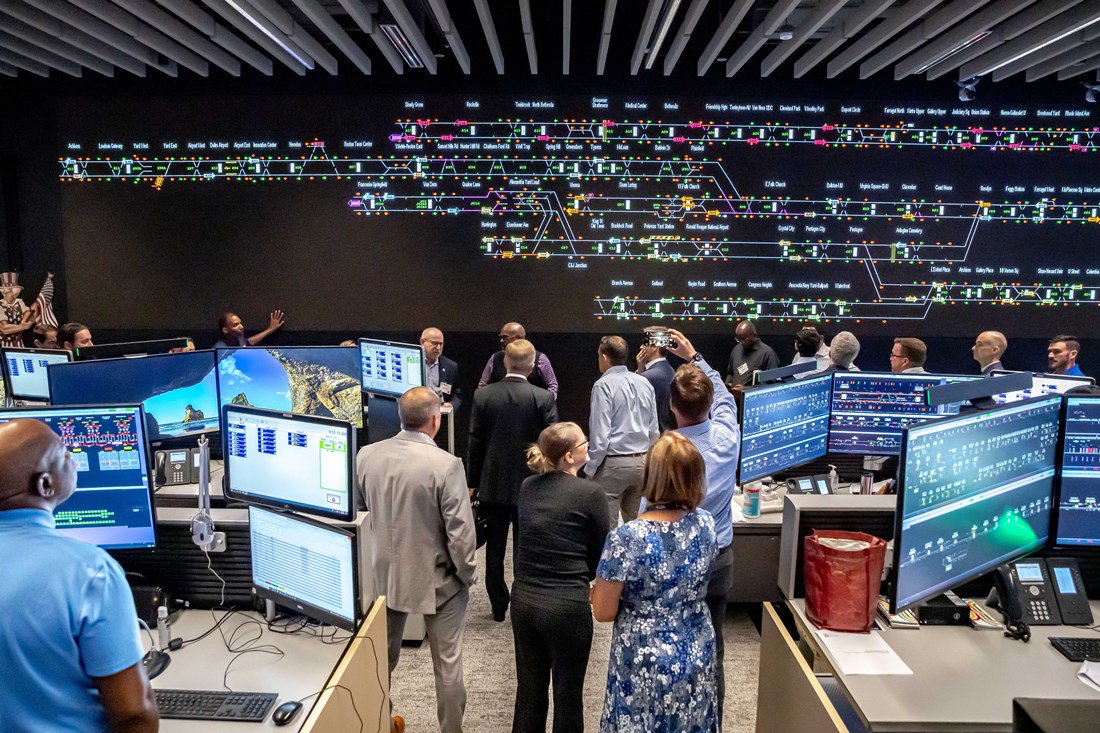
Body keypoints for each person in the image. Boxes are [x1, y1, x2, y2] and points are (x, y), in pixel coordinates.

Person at [0, 419, 159, 733]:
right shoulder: (89, 572)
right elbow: (134, 714)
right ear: (45, 485)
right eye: (65, 453)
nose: (74, 456)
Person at [355, 387, 477, 733]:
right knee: (448, 667)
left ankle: (381, 721)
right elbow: (461, 535)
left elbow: (360, 514)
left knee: (381, 663)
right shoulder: (447, 465)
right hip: (439, 580)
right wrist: (467, 575)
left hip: (383, 579)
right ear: (436, 420)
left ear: (399, 416)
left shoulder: (366, 455)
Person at [591, 432, 719, 732]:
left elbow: (603, 611)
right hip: (696, 648)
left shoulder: (627, 539)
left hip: (643, 661)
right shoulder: (706, 525)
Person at [511, 422, 610, 733]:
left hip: (524, 603)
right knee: (568, 698)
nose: (589, 445)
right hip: (568, 609)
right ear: (570, 456)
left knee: (529, 694)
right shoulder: (591, 494)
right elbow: (600, 560)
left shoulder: (527, 487)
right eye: (584, 442)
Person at [663, 328, 739, 722]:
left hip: (672, 563)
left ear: (673, 408)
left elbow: (649, 514)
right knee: (716, 648)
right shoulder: (728, 436)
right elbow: (726, 398)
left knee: (670, 645)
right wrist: (694, 357)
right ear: (708, 404)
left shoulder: (668, 455)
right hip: (718, 559)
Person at [467, 339, 558, 622]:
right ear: (532, 366)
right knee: (525, 546)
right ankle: (522, 602)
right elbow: (554, 443)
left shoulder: (483, 397)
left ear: (505, 362)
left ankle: (497, 606)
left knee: (494, 549)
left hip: (492, 483)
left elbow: (475, 441)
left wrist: (472, 481)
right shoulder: (543, 398)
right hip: (532, 485)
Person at [586, 336, 660, 525]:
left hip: (613, 465)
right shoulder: (644, 382)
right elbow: (654, 431)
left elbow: (600, 436)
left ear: (603, 356)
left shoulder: (602, 385)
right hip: (642, 463)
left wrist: (590, 468)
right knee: (639, 528)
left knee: (607, 531)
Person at [478, 322, 559, 398]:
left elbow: (552, 385)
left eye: (505, 338)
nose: (501, 341)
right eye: (500, 337)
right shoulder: (495, 357)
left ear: (519, 338)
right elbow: (483, 385)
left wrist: (545, 404)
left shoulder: (539, 358)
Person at [636, 329, 676, 431]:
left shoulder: (647, 377)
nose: (641, 347)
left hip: (652, 439)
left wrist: (641, 374)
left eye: (644, 343)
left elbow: (635, 410)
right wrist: (641, 369)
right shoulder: (670, 370)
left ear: (654, 347)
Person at [725, 320, 779, 388]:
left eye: (744, 339)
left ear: (754, 335)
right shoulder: (737, 349)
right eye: (738, 339)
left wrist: (745, 389)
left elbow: (772, 385)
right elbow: (730, 372)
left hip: (753, 398)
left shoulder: (767, 354)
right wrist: (728, 384)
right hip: (734, 397)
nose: (741, 342)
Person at [421, 327, 462, 412]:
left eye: (441, 344)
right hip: (415, 413)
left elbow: (457, 394)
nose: (438, 348)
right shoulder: (412, 363)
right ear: (422, 342)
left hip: (439, 414)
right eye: (435, 343)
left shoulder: (450, 366)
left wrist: (452, 404)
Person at [213, 309, 285, 348]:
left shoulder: (239, 339)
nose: (241, 327)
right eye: (236, 325)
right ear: (225, 330)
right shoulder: (220, 349)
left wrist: (270, 329)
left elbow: (249, 342)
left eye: (240, 323)